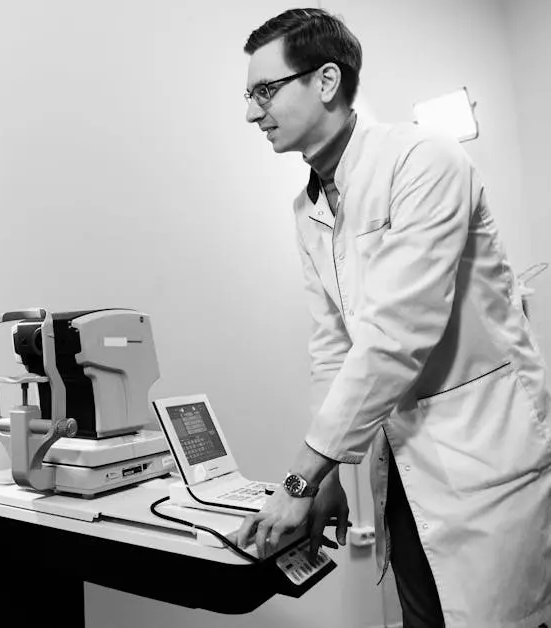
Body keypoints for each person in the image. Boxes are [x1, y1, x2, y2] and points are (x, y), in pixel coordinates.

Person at [234, 8, 551, 628]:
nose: (251, 112)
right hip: (405, 474)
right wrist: (328, 480)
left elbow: (395, 335)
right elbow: (333, 348)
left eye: (265, 90)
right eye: (250, 94)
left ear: (326, 80)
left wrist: (301, 478)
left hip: (482, 463)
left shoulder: (423, 160)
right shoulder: (308, 205)